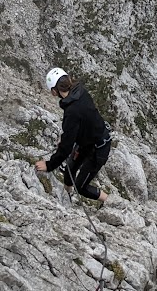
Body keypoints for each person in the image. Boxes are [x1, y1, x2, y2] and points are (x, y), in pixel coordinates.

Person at [34, 67, 112, 203]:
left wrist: (49, 165)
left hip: (98, 148)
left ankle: (110, 202)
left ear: (54, 91)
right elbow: (82, 122)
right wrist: (68, 138)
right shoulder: (80, 92)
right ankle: (67, 197)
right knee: (70, 168)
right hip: (89, 140)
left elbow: (66, 148)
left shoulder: (72, 111)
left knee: (81, 187)